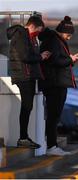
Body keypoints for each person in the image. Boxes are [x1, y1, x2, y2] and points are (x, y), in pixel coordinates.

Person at [38, 16, 78, 155]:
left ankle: (51, 145)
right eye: (68, 35)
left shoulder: (55, 41)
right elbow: (54, 61)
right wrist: (70, 59)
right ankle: (51, 146)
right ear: (62, 32)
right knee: (53, 115)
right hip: (54, 84)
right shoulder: (54, 41)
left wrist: (70, 60)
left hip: (55, 82)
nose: (69, 38)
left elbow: (56, 59)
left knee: (54, 116)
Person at [7, 16, 50, 148]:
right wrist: (41, 57)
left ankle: (24, 137)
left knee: (28, 106)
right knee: (26, 106)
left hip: (27, 75)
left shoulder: (26, 36)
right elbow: (25, 56)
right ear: (32, 26)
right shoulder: (21, 35)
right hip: (23, 76)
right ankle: (23, 138)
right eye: (38, 31)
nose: (37, 34)